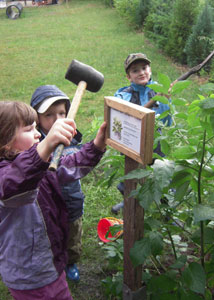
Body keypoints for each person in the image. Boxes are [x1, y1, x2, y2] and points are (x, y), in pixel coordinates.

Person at [0, 101, 106, 300]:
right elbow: (16, 183)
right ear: (6, 141)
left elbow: (70, 165)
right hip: (29, 274)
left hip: (51, 261)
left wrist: (97, 145)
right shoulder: (8, 176)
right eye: (29, 129)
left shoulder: (39, 164)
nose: (38, 133)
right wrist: (45, 146)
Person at [30, 85, 84, 282]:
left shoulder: (73, 138)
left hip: (71, 200)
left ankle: (71, 261)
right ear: (37, 119)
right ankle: (54, 261)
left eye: (62, 113)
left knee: (73, 234)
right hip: (47, 205)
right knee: (51, 235)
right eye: (50, 115)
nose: (58, 120)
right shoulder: (35, 144)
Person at [111, 52, 172, 214]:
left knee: (161, 177)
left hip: (156, 144)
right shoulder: (124, 95)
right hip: (133, 144)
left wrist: (166, 100)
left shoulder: (158, 91)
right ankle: (129, 203)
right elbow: (119, 117)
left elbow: (168, 122)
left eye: (144, 68)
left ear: (150, 70)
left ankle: (166, 212)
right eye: (135, 70)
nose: (141, 73)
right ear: (128, 77)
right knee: (132, 176)